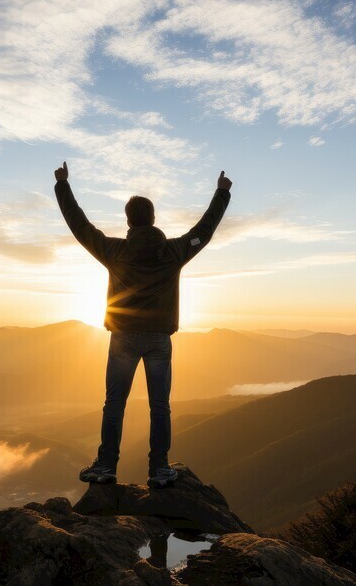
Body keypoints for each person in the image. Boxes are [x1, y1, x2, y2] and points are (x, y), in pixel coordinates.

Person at [53, 161, 232, 488]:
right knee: (160, 407)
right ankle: (159, 469)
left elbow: (80, 226)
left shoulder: (114, 250)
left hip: (122, 338)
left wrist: (63, 185)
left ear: (128, 220)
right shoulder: (175, 251)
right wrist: (222, 193)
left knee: (114, 405)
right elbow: (204, 230)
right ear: (153, 219)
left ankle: (106, 466)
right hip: (159, 341)